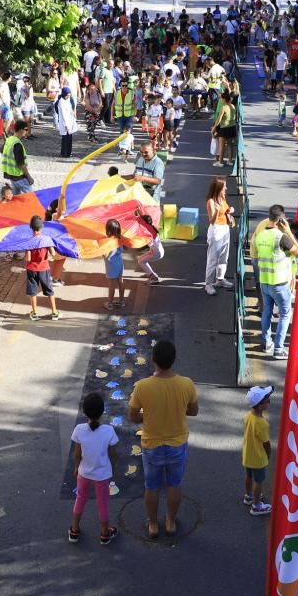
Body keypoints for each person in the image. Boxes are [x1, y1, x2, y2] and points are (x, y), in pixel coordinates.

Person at [127, 340, 197, 538]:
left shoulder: (142, 386)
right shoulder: (186, 384)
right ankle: (171, 522)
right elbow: (193, 411)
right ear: (174, 360)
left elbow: (132, 416)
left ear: (153, 360)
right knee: (174, 484)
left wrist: (146, 416)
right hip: (177, 443)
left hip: (152, 445)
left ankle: (152, 524)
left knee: (152, 486)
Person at [69, 392, 119, 545]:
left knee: (80, 498)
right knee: (103, 503)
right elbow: (113, 455)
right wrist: (113, 468)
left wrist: (77, 468)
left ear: (84, 412)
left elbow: (77, 454)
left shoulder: (79, 429)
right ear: (102, 411)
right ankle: (105, 533)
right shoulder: (108, 431)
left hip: (84, 473)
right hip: (102, 475)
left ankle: (74, 530)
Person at [254, 205, 298, 357]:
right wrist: (288, 231)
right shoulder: (280, 237)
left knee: (266, 311)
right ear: (281, 219)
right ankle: (279, 348)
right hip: (279, 283)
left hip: (264, 281)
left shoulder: (260, 235)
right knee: (285, 314)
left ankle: (266, 342)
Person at [242, 385, 273, 516]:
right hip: (258, 458)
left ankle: (248, 496)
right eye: (267, 400)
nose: (269, 402)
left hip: (248, 455)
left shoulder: (249, 415)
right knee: (258, 481)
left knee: (248, 476)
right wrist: (269, 454)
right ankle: (256, 506)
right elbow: (266, 443)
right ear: (260, 405)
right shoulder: (262, 423)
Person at [204, 176, 235, 296]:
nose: (226, 188)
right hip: (216, 230)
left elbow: (226, 210)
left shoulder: (222, 198)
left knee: (223, 256)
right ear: (218, 188)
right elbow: (211, 221)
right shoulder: (211, 201)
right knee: (213, 258)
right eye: (224, 187)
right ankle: (208, 283)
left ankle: (220, 279)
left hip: (225, 229)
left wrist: (229, 210)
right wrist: (217, 211)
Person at [24, 214, 59, 320]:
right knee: (49, 290)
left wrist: (27, 250)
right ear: (41, 226)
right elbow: (53, 254)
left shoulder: (29, 241)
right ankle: (54, 312)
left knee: (33, 292)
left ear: (31, 227)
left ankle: (34, 313)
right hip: (44, 268)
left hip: (32, 269)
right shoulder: (47, 239)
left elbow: (28, 259)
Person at [2, 119, 34, 194]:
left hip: (11, 176)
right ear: (20, 130)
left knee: (16, 199)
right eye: (26, 129)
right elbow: (21, 164)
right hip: (19, 177)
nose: (27, 131)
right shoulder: (17, 144)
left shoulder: (9, 140)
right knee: (32, 198)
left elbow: (1, 150)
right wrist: (29, 177)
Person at [136, 209, 164, 284]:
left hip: (156, 253)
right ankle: (149, 273)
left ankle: (154, 277)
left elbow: (145, 241)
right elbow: (143, 219)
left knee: (141, 261)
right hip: (156, 251)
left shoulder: (148, 233)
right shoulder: (150, 226)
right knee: (140, 260)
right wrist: (138, 210)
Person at [103, 218, 125, 310]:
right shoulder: (120, 238)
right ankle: (121, 302)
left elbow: (106, 255)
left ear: (108, 230)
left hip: (111, 266)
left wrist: (102, 252)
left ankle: (110, 304)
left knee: (111, 285)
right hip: (120, 263)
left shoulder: (108, 241)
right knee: (120, 282)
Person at [212, 92, 239, 169]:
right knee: (230, 145)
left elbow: (219, 120)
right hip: (232, 127)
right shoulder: (233, 106)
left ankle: (220, 162)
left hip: (224, 128)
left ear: (224, 99)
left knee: (221, 146)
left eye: (221, 98)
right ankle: (230, 161)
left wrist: (214, 128)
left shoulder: (224, 107)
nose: (220, 99)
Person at [54, 85, 78, 158]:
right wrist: (66, 124)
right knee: (66, 139)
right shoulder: (61, 102)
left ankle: (68, 152)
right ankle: (65, 153)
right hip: (65, 123)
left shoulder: (67, 99)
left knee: (69, 138)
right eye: (67, 95)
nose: (68, 96)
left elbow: (71, 109)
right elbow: (63, 114)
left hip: (70, 121)